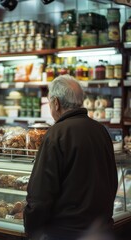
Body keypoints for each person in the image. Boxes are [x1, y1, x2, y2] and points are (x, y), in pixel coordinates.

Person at [23, 75, 118, 240]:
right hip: (100, 230)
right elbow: (112, 179)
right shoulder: (100, 130)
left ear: (56, 103)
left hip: (64, 233)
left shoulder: (56, 134)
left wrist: (31, 228)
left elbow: (41, 193)